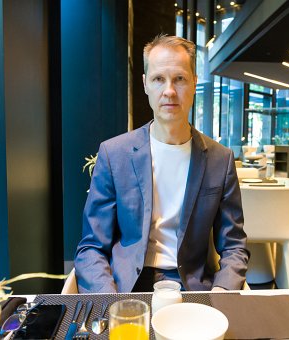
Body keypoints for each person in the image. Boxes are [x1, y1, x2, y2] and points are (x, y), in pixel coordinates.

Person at [74, 34, 249, 293]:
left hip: (191, 287)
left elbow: (234, 245)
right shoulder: (114, 154)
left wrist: (222, 292)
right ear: (145, 84)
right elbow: (91, 247)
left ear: (194, 84)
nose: (169, 91)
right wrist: (108, 299)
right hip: (126, 287)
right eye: (158, 79)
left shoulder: (219, 159)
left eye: (179, 79)